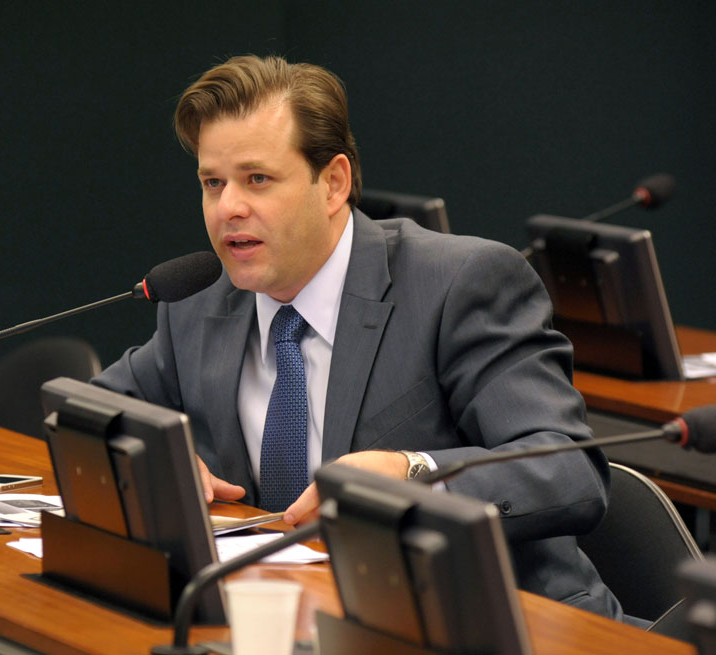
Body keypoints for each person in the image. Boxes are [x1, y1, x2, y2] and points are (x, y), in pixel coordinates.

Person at [93, 54, 625, 621]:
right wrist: (160, 462)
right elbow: (100, 408)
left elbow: (571, 470)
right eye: (212, 183)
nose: (229, 208)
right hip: (295, 616)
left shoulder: (458, 285)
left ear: (334, 183)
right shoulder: (200, 299)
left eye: (258, 180)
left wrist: (412, 473)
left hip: (491, 620)